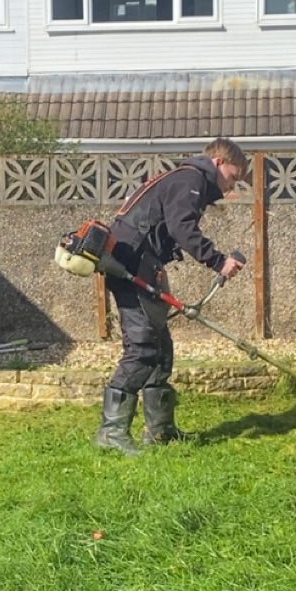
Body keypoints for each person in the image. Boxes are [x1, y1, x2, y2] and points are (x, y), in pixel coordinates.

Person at [94, 137, 248, 454]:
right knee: (142, 348)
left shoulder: (184, 179)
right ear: (219, 163)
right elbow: (182, 228)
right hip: (131, 266)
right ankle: (111, 432)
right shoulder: (190, 179)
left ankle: (160, 430)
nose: (231, 187)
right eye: (233, 177)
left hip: (143, 265)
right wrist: (218, 261)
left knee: (160, 348)